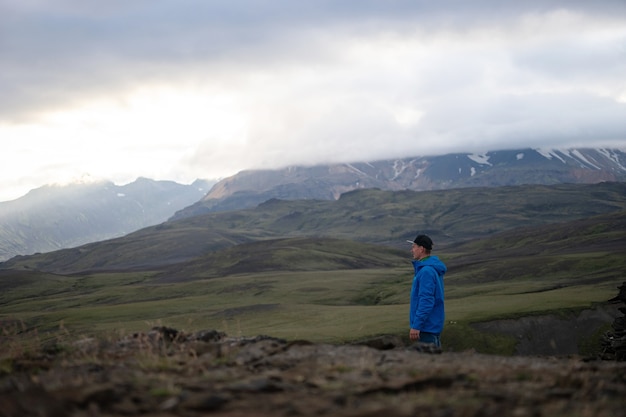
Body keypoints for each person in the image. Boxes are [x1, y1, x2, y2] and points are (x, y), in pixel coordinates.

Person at [407, 234, 447, 348]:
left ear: (421, 249)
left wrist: (416, 325)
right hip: (430, 326)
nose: (412, 250)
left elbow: (426, 300)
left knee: (428, 363)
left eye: (414, 247)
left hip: (426, 328)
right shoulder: (429, 269)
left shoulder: (426, 271)